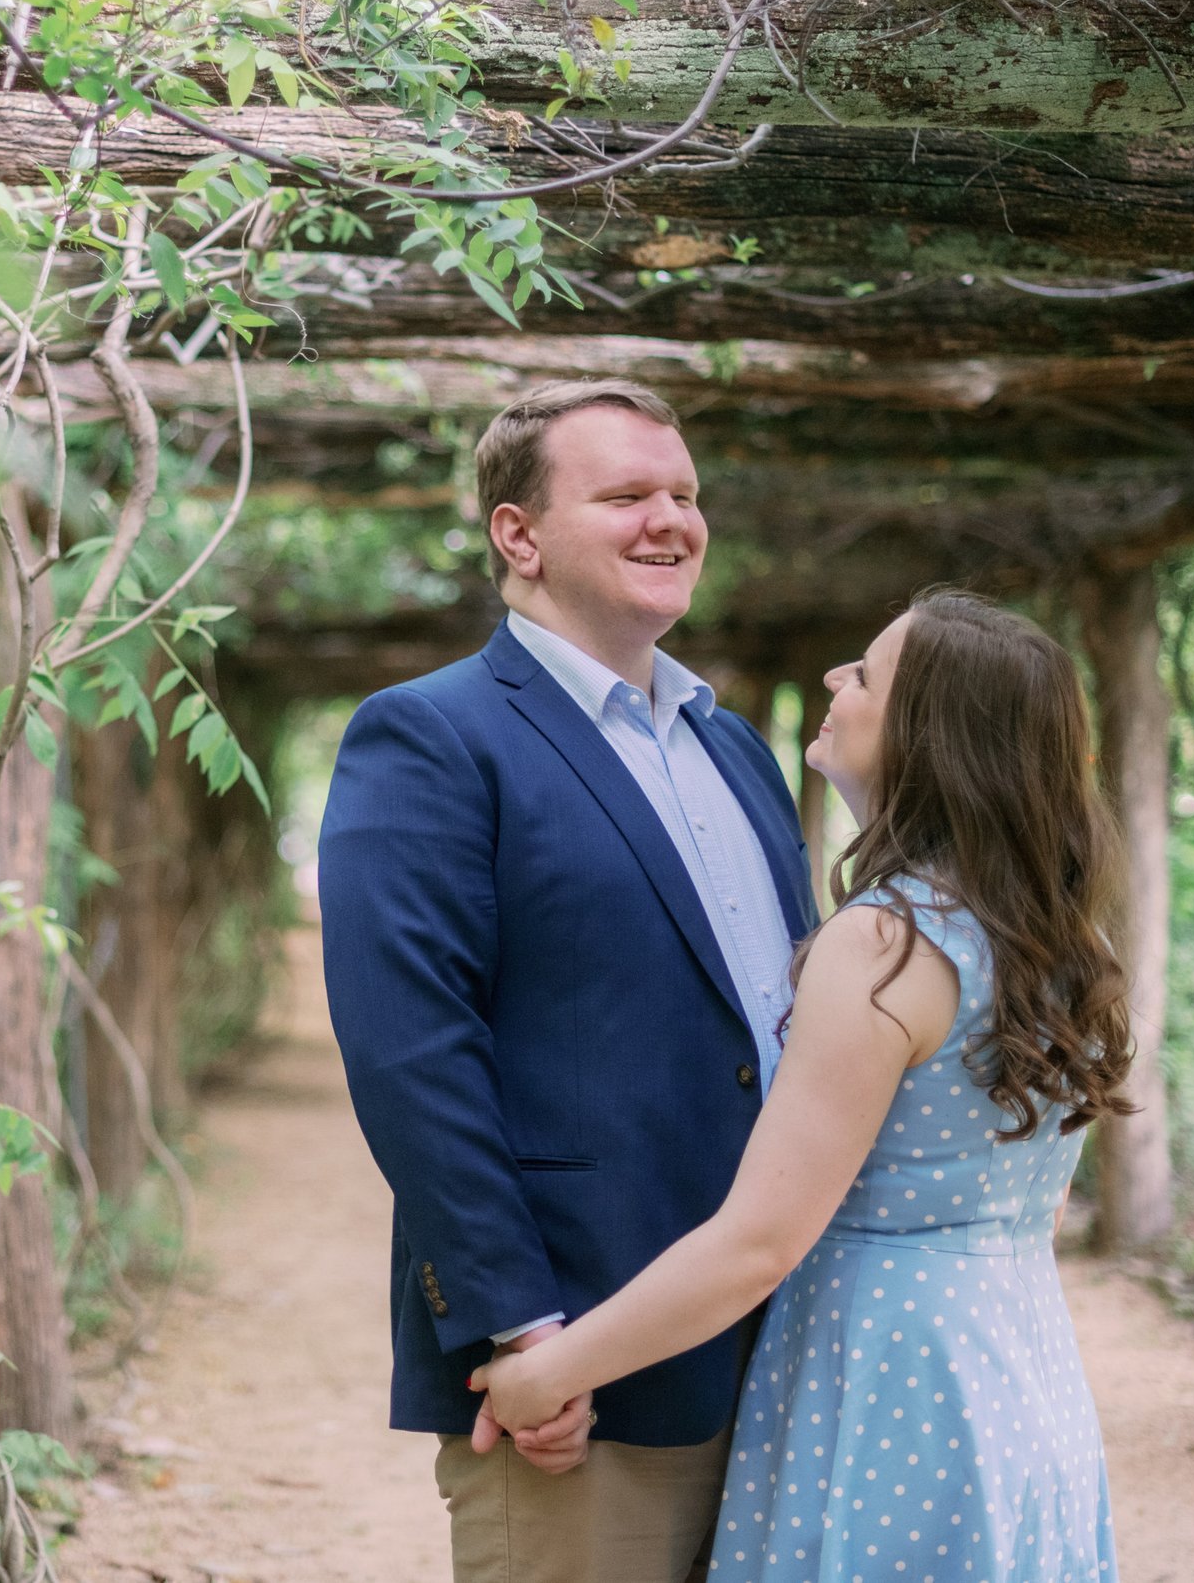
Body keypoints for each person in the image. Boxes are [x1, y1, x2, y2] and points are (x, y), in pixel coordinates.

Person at [470, 588, 1131, 1583]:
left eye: (864, 673)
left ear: (927, 734)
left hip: (885, 1381)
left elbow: (759, 1240)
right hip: (1019, 1369)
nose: (834, 678)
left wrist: (548, 1370)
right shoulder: (1063, 941)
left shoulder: (883, 940)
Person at [319, 379, 817, 1583]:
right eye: (628, 494)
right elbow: (411, 1051)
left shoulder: (733, 740)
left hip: (793, 1352)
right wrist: (529, 1334)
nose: (672, 520)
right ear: (518, 533)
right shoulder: (430, 735)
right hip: (580, 1372)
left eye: (686, 494)